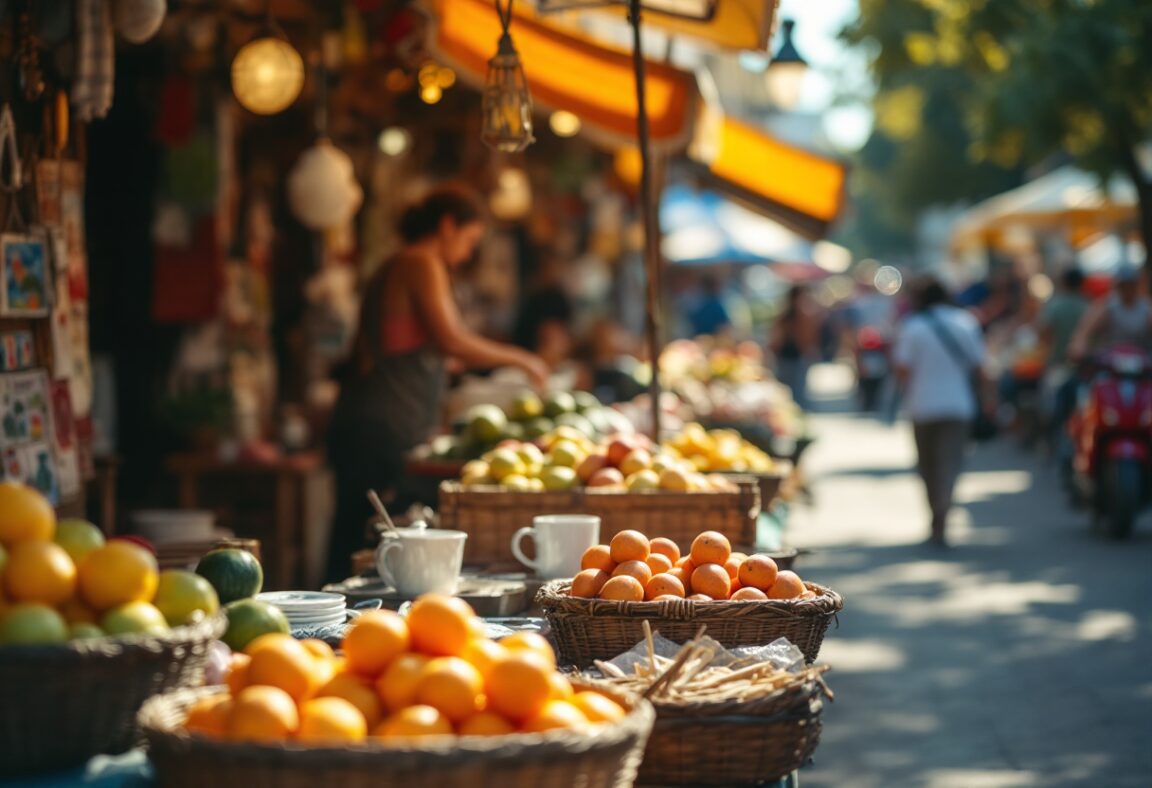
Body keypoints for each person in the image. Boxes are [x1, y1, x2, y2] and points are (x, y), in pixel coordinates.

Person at [325, 186, 549, 583]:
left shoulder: (402, 263)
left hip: (374, 419)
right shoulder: (419, 261)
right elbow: (452, 338)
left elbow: (434, 345)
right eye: (469, 241)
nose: (467, 253)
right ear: (447, 226)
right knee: (358, 542)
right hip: (379, 422)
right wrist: (523, 358)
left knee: (356, 534)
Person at [893, 276, 987, 546]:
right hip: (958, 406)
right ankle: (943, 510)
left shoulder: (913, 327)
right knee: (950, 464)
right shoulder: (965, 322)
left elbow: (902, 369)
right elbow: (981, 367)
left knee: (928, 466)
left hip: (922, 406)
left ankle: (937, 514)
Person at [1067, 265, 1152, 358]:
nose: (1128, 290)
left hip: (1140, 361)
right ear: (1118, 286)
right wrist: (1079, 345)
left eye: (1131, 285)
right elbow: (1085, 331)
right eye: (1124, 286)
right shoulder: (1107, 306)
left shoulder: (1146, 307)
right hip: (1111, 361)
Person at [770, 285, 821, 410]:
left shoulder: (790, 316)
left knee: (794, 389)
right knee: (793, 390)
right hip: (790, 357)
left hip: (792, 356)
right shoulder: (795, 316)